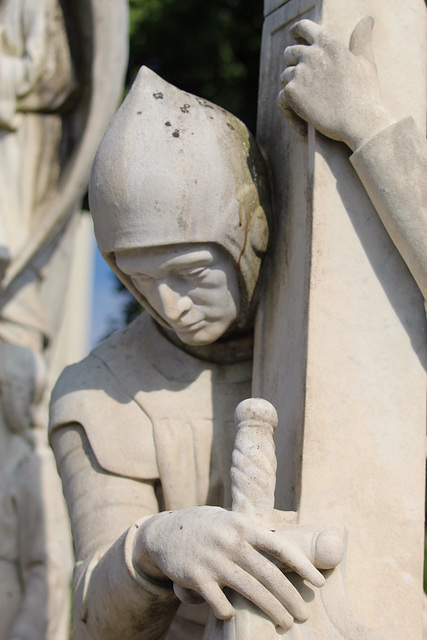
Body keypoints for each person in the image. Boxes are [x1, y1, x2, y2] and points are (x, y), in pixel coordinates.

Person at [49, 67, 332, 640]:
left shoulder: (327, 335)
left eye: (191, 273)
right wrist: (152, 547)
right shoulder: (100, 391)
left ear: (249, 237)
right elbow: (97, 614)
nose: (170, 306)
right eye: (139, 281)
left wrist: (369, 129)